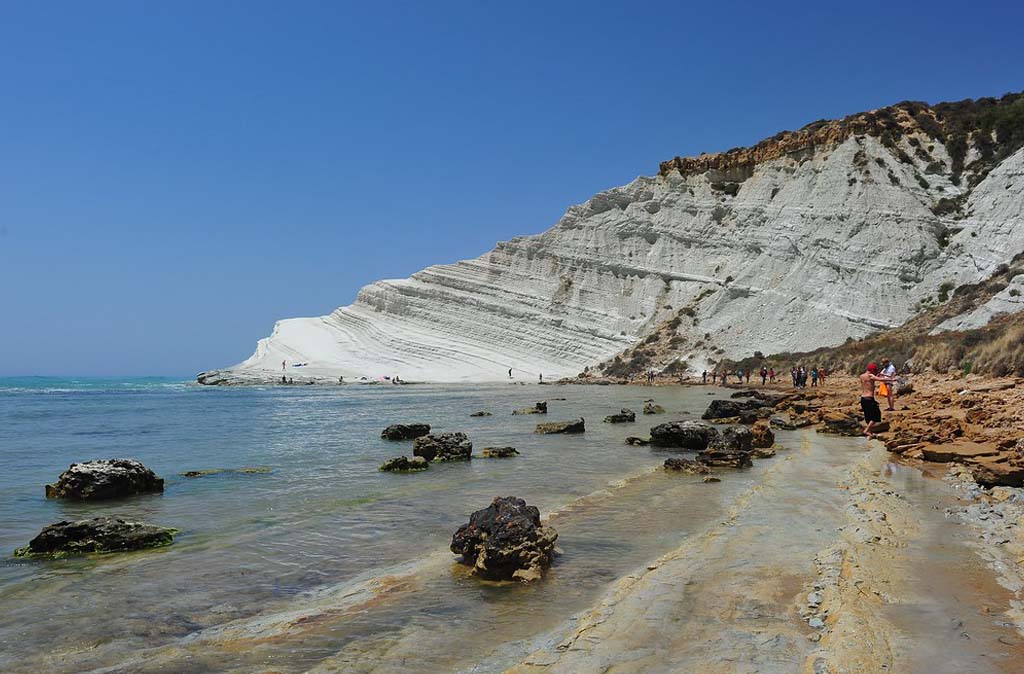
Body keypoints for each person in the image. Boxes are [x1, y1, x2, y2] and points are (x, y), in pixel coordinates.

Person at [859, 362, 895, 437]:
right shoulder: (871, 376)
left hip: (863, 399)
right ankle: (866, 430)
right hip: (869, 398)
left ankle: (870, 432)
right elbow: (881, 379)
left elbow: (869, 381)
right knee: (876, 416)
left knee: (868, 416)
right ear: (872, 370)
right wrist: (892, 379)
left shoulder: (861, 376)